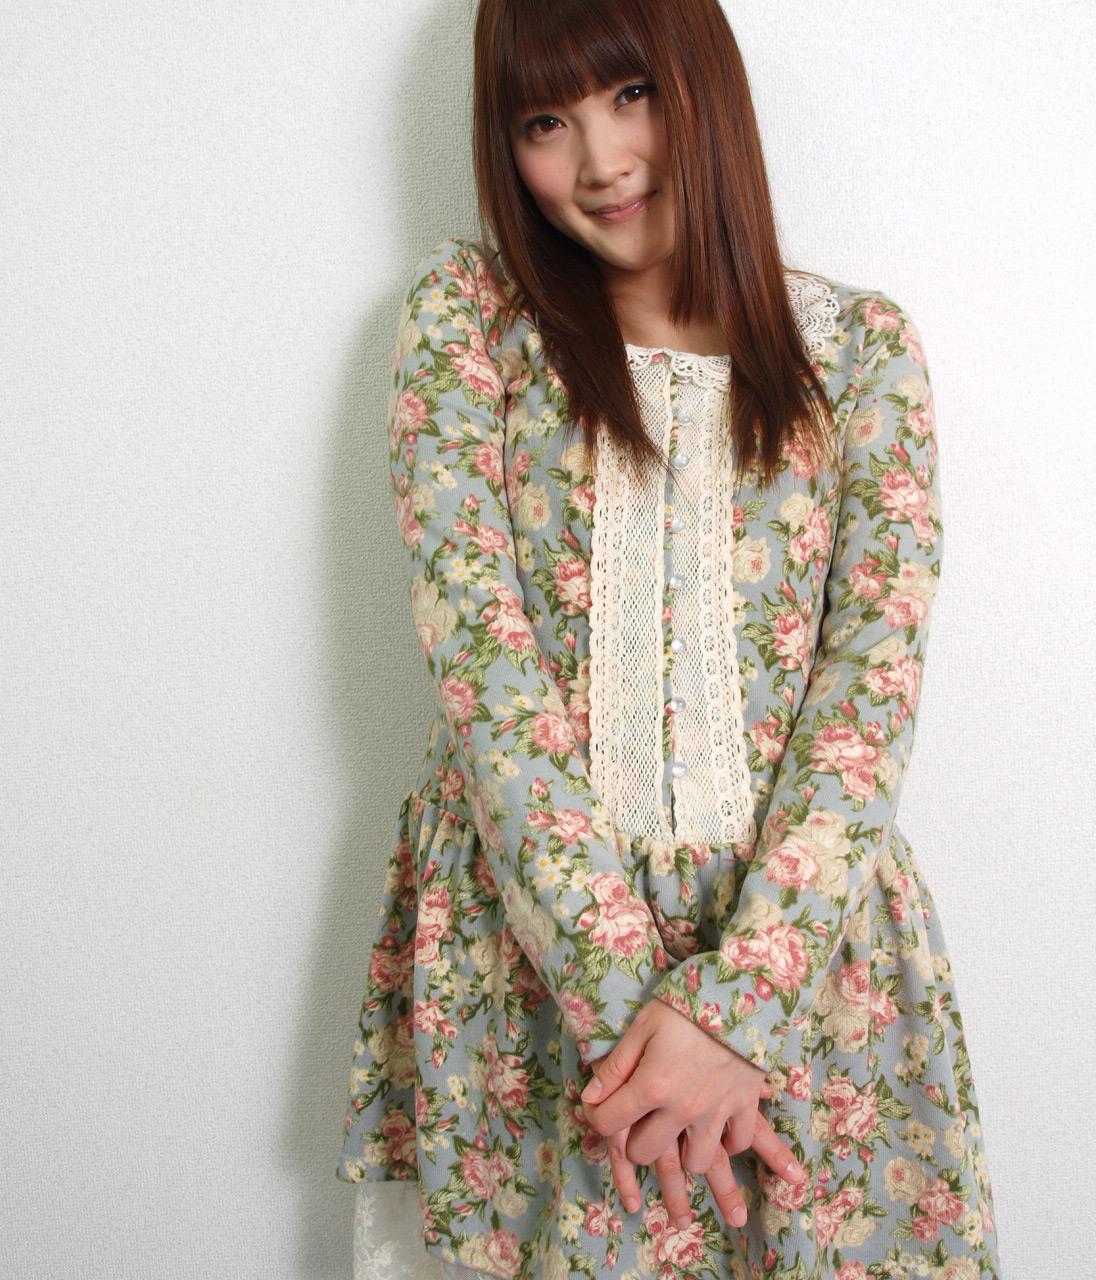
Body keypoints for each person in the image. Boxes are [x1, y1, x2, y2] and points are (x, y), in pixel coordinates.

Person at [337, 0, 1003, 1276]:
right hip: (535, 979)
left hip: (804, 972)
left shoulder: (859, 353)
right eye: (545, 122)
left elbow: (868, 699)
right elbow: (483, 675)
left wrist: (735, 1010)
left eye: (630, 93)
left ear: (704, 84)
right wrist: (644, 1029)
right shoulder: (471, 324)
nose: (600, 160)